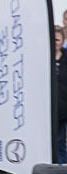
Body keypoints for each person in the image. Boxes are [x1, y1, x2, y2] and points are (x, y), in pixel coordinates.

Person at [55, 26, 67, 164]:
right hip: (50, 107)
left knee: (61, 142)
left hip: (64, 106)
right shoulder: (44, 57)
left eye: (57, 39)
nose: (55, 42)